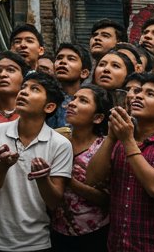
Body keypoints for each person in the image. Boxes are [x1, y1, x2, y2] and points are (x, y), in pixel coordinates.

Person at [85, 72, 154, 251]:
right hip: (118, 244)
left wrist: (127, 140)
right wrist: (111, 137)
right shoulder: (119, 139)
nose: (137, 96)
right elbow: (91, 179)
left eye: (149, 94)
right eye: (138, 91)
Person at [0, 71, 74, 252]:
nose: (24, 92)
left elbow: (54, 203)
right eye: (24, 87)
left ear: (49, 107)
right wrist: (2, 166)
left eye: (34, 89)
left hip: (35, 243)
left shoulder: (60, 144)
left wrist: (43, 179)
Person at [51, 86, 112, 251]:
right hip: (57, 230)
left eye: (83, 101)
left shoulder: (105, 147)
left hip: (93, 234)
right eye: (74, 98)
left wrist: (69, 181)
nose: (72, 103)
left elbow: (106, 199)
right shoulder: (57, 141)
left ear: (98, 118)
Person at [50, 43, 93, 127]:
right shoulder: (46, 98)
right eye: (59, 58)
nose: (62, 62)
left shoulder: (90, 103)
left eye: (71, 59)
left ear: (84, 73)